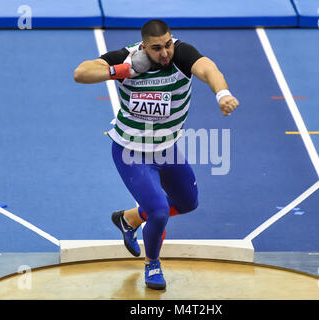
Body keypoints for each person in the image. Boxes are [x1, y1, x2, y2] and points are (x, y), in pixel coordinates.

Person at [74, 19, 239, 290]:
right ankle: (152, 264)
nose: (164, 53)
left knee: (187, 203)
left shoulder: (181, 55)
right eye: (156, 48)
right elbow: (81, 73)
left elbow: (209, 68)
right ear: (143, 46)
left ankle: (129, 219)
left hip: (166, 150)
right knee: (160, 210)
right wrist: (124, 70)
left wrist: (222, 93)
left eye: (167, 45)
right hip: (131, 153)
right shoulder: (126, 58)